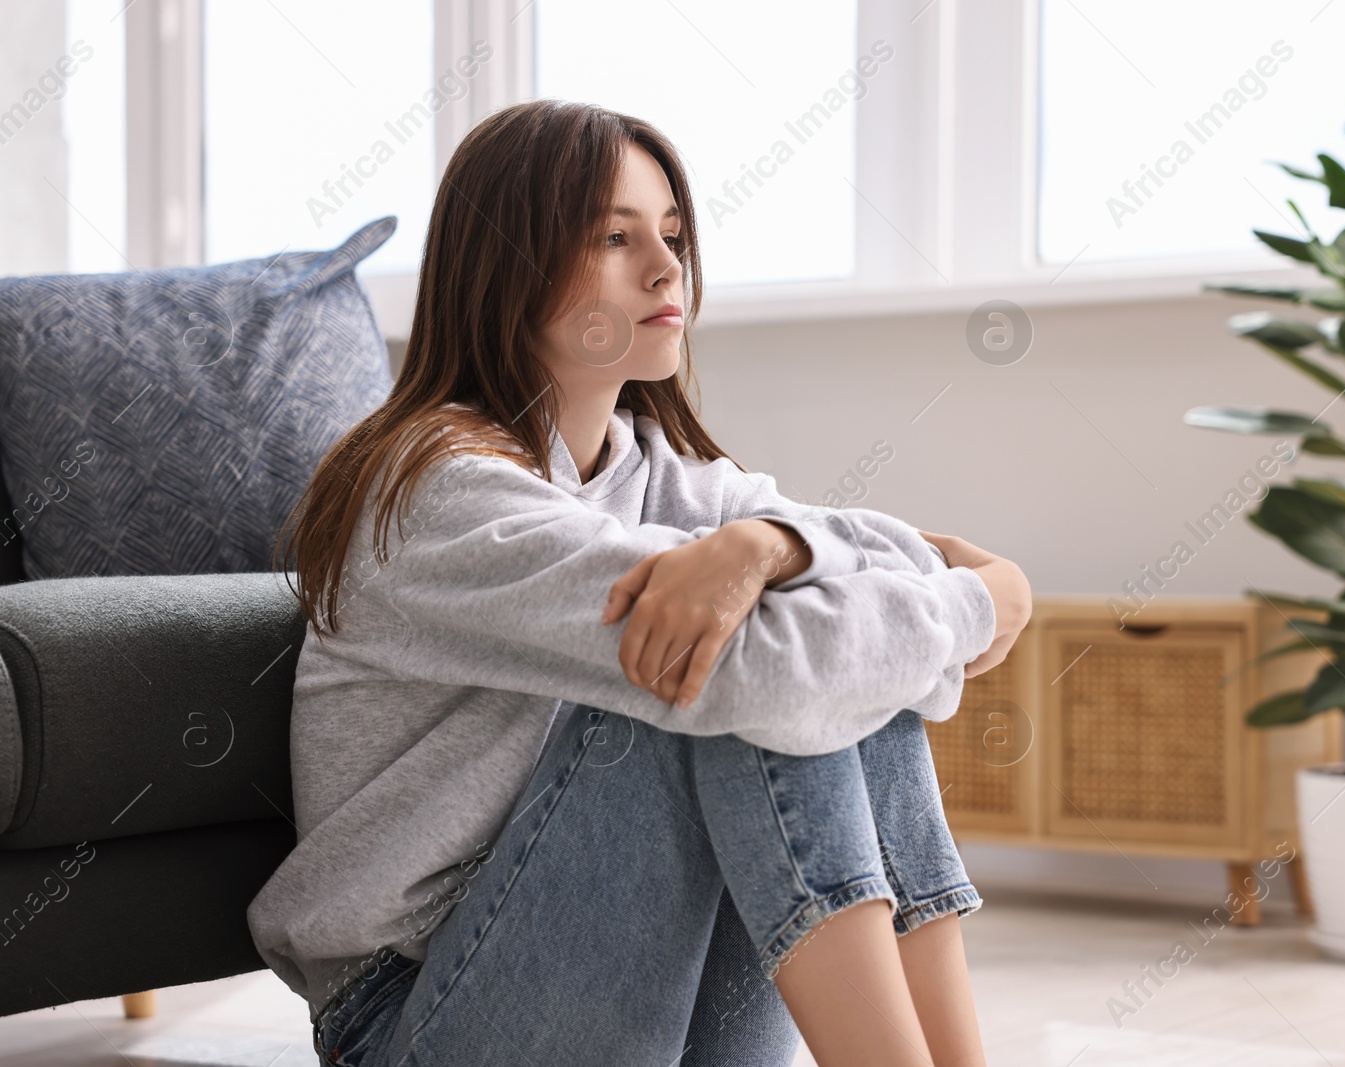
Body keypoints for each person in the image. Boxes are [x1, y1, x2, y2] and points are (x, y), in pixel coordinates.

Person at [251, 98, 1032, 1066]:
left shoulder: (666, 472)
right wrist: (983, 600)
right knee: (735, 681)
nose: (667, 268)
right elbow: (778, 673)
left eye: (670, 234)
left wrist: (768, 546)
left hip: (645, 984)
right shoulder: (436, 487)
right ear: (509, 265)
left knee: (845, 664)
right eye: (615, 237)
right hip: (421, 1015)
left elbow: (879, 583)